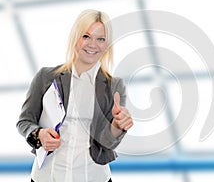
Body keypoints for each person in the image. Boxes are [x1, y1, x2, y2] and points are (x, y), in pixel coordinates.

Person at [16, 9, 133, 182]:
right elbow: (24, 122)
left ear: (107, 45)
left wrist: (117, 126)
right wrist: (39, 134)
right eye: (86, 36)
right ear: (75, 38)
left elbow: (107, 143)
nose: (93, 44)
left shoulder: (114, 86)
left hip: (93, 177)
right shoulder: (45, 77)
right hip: (47, 176)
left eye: (101, 39)